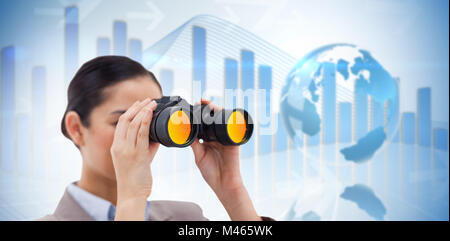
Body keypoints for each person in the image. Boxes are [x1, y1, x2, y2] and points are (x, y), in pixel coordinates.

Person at [37, 56, 274, 221]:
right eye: (124, 122)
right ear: (76, 128)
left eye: (150, 123)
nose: (139, 135)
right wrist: (131, 200)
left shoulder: (187, 218)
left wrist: (232, 191)